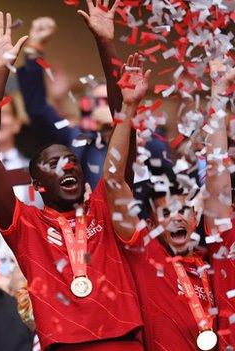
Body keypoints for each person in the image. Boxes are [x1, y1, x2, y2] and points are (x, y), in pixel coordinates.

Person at [0, 12, 143, 350]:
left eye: (71, 160)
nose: (67, 164)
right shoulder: (26, 225)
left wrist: (105, 43)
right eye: (53, 163)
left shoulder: (104, 206)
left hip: (123, 343)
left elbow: (122, 126)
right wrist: (0, 73)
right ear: (38, 185)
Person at [107, 56, 235, 350]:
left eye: (185, 210)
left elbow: (218, 182)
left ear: (197, 219)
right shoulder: (147, 260)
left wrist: (219, 93)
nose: (178, 218)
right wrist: (128, 109)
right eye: (166, 212)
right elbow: (114, 184)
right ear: (150, 225)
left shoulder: (217, 259)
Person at [17, 2, 125, 188]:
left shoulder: (144, 142)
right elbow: (38, 111)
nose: (102, 107)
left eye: (108, 101)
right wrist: (34, 49)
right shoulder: (77, 140)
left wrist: (122, 126)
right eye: (97, 102)